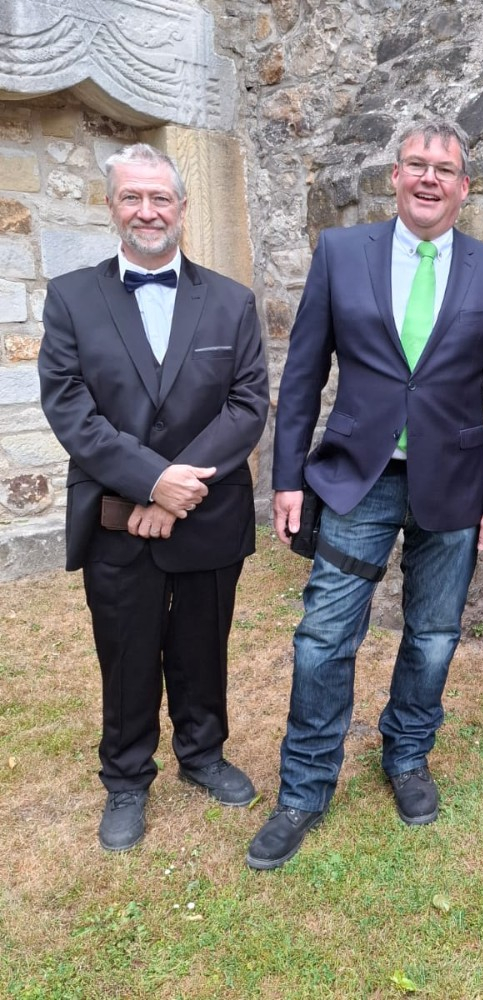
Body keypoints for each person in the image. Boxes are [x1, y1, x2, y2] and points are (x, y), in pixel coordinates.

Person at [246, 119, 483, 870]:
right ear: (395, 176)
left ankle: (406, 755)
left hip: (455, 485)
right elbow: (302, 374)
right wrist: (285, 479)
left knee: (432, 635)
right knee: (323, 637)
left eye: (445, 169)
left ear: (464, 188)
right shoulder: (342, 254)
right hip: (356, 479)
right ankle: (304, 790)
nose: (429, 178)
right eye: (416, 164)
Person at [38, 143, 269, 851]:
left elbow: (247, 403)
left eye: (160, 198)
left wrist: (173, 490)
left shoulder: (231, 301)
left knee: (203, 646)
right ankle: (126, 777)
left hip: (206, 513)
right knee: (126, 652)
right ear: (111, 207)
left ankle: (203, 754)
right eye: (132, 198)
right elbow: (70, 407)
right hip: (118, 520)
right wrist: (149, 480)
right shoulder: (72, 298)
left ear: (182, 208)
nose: (147, 211)